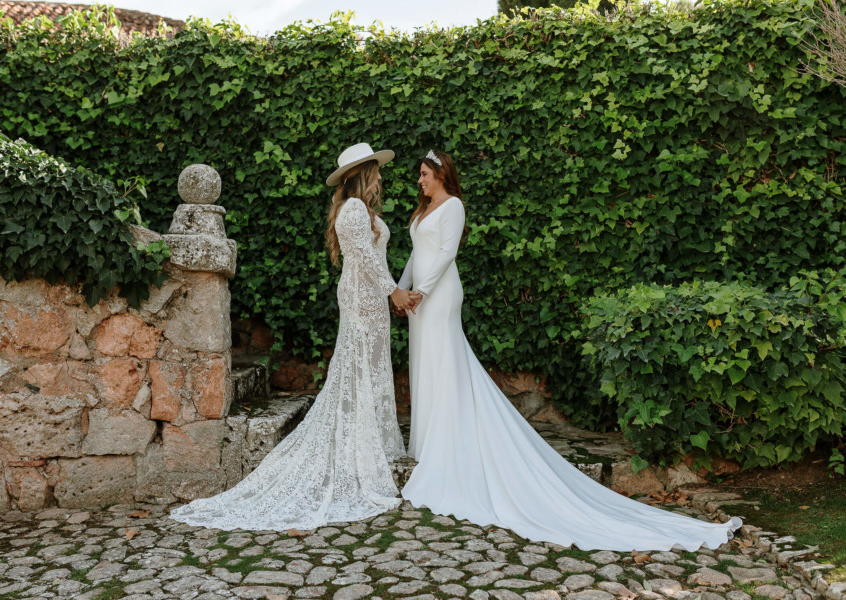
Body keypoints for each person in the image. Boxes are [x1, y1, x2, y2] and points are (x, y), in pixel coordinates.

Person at [395, 149, 742, 551]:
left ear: (441, 174)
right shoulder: (422, 211)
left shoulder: (453, 206)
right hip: (418, 299)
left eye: (423, 174)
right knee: (424, 365)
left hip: (438, 297)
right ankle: (426, 442)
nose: (418, 180)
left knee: (444, 364)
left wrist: (419, 292)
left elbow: (444, 255)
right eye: (419, 175)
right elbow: (416, 254)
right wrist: (401, 290)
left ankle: (448, 444)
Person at [170, 143, 419, 531]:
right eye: (376, 171)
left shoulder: (361, 211)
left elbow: (375, 261)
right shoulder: (353, 210)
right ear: (362, 174)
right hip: (360, 298)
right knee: (357, 368)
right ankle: (357, 453)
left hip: (370, 298)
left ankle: (374, 446)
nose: (382, 178)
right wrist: (394, 292)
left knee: (371, 367)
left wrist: (388, 294)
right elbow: (366, 261)